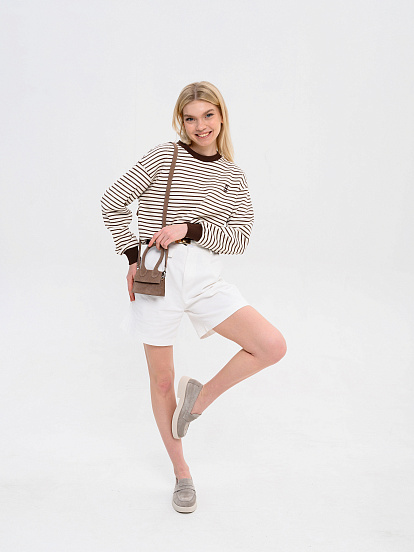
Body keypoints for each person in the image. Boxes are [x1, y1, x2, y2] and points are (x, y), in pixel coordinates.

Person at [101, 81, 287, 514]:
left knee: (271, 345)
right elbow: (113, 202)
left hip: (204, 278)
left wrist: (191, 228)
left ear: (221, 116)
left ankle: (198, 400)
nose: (200, 126)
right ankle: (182, 473)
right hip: (158, 277)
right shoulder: (164, 156)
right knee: (162, 381)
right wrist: (132, 257)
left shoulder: (232, 176)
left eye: (208, 115)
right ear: (180, 121)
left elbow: (239, 239)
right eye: (190, 118)